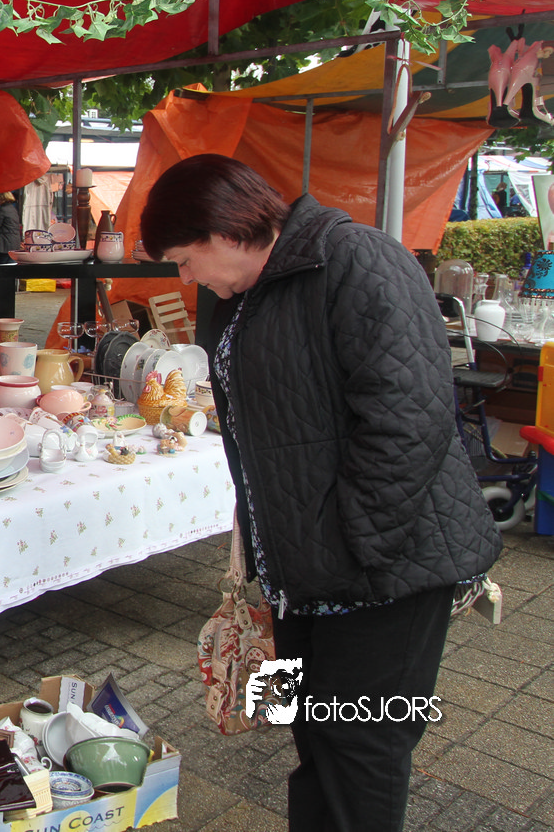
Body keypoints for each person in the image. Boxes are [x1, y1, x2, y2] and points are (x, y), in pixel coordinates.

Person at [139, 154, 500, 832]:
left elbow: (408, 419)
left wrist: (349, 544)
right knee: (317, 740)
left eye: (185, 259)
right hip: (310, 569)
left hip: (385, 568)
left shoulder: (356, 259)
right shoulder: (249, 290)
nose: (184, 277)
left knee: (361, 752)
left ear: (226, 229)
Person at [0, 192, 21, 264]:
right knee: (10, 267)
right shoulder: (13, 209)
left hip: (3, 245)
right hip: (14, 244)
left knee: (0, 267)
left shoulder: (2, 210)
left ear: (1, 199)